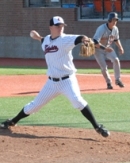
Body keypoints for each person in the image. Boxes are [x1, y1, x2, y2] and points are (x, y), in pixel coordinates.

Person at [0, 16, 110, 137]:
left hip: (68, 80)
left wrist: (84, 40)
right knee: (33, 106)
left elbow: (80, 37)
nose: (60, 28)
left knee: (77, 101)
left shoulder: (65, 39)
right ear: (51, 27)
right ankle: (12, 121)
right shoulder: (46, 40)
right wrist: (37, 37)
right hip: (52, 83)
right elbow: (43, 40)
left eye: (62, 26)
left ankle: (97, 127)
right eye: (58, 26)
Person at [93, 12, 124, 89]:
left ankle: (117, 79)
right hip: (98, 50)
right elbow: (95, 42)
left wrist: (120, 47)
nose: (115, 22)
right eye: (113, 20)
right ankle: (108, 83)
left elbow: (116, 39)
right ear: (109, 20)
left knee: (116, 60)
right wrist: (105, 48)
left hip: (108, 48)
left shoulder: (115, 29)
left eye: (116, 20)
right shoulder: (101, 28)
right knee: (104, 67)